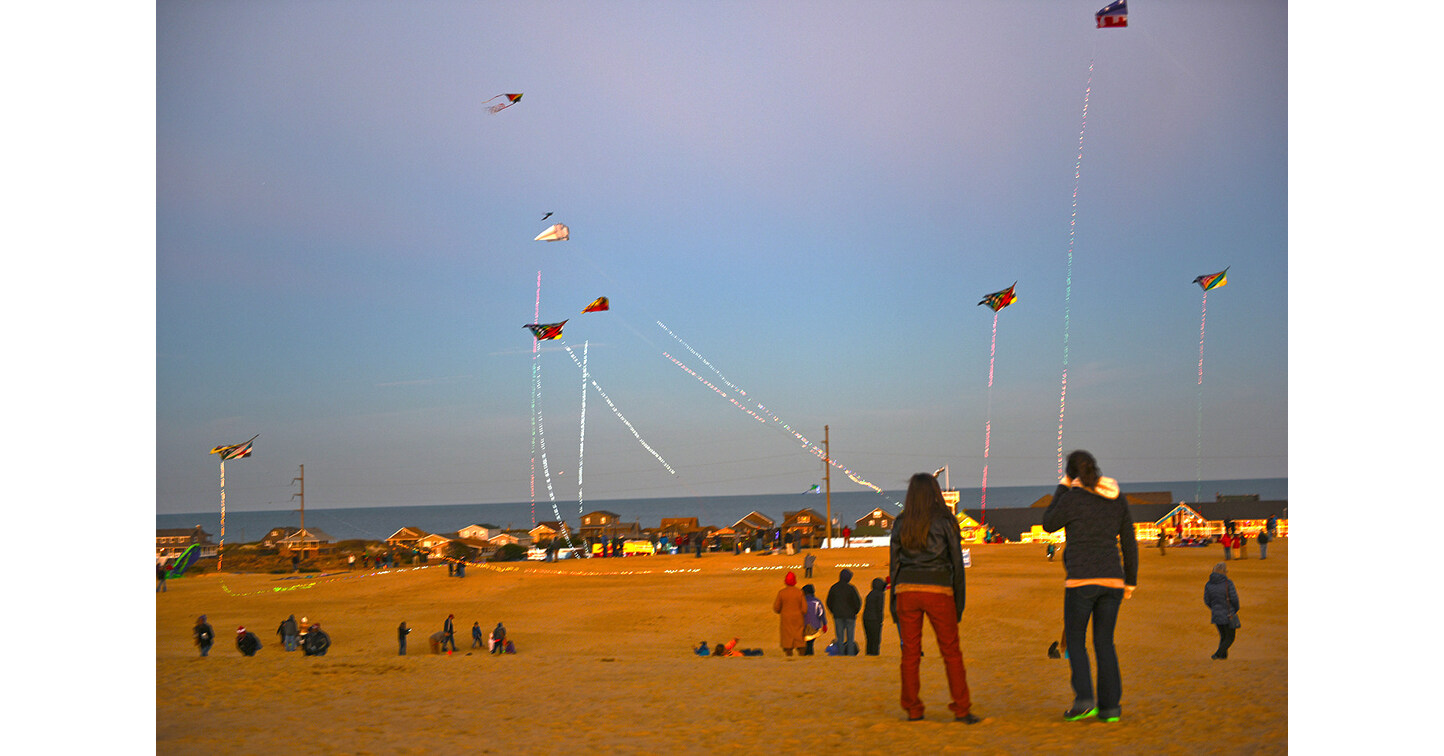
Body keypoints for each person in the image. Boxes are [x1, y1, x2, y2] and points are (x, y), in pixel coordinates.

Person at [1042, 450, 1138, 724]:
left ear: (1072, 476)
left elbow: (1048, 523)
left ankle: (1084, 700)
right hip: (1113, 580)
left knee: (1075, 640)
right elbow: (1129, 543)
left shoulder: (1072, 498)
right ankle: (1110, 709)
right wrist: (1130, 581)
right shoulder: (1116, 497)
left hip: (1082, 580)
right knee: (1105, 643)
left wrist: (1062, 488)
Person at [889, 472, 979, 724]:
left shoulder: (901, 522)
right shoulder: (946, 521)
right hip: (939, 589)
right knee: (951, 651)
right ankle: (962, 709)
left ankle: (913, 709)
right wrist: (959, 602)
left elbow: (894, 564)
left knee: (910, 653)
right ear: (936, 493)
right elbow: (956, 565)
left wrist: (893, 602)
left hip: (906, 588)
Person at [1204, 562, 1241, 659]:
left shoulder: (1208, 584)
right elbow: (1234, 599)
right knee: (1230, 637)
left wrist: (1215, 608)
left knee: (1223, 636)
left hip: (1216, 614)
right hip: (1229, 613)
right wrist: (1235, 609)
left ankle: (1223, 657)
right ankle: (1217, 654)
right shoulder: (1228, 583)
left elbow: (1206, 600)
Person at [826, 568, 862, 656]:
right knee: (850, 638)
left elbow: (829, 602)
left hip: (838, 615)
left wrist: (833, 611)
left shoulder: (834, 587)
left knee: (840, 638)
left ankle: (841, 654)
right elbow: (857, 602)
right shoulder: (851, 588)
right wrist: (854, 612)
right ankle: (850, 654)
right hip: (850, 616)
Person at [772, 571, 806, 657]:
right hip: (798, 618)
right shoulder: (799, 592)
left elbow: (776, 608)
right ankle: (801, 653)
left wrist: (782, 611)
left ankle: (788, 653)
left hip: (786, 618)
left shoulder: (782, 593)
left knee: (787, 637)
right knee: (799, 636)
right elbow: (804, 608)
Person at [862, 577, 887, 656]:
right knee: (875, 641)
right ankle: (874, 655)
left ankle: (869, 654)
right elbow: (879, 608)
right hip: (874, 620)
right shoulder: (880, 595)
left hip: (866, 619)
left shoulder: (870, 594)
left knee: (869, 640)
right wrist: (880, 620)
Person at [801, 584, 827, 656]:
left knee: (805, 642)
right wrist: (824, 624)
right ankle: (809, 653)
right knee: (810, 643)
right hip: (814, 626)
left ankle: (806, 653)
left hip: (803, 626)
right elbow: (821, 613)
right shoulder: (817, 601)